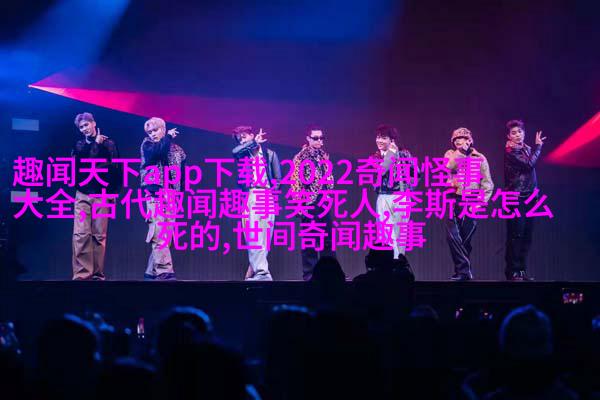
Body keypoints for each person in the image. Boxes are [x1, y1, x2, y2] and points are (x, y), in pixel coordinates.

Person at [71, 112, 122, 280]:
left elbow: (116, 168)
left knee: (99, 235)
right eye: (81, 127)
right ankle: (82, 274)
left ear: (93, 123)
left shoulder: (109, 144)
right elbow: (79, 164)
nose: (84, 129)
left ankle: (97, 275)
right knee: (81, 234)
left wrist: (114, 192)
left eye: (86, 125)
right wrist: (94, 144)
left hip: (102, 194)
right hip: (83, 193)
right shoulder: (80, 145)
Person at [444, 127, 494, 281]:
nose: (460, 141)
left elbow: (487, 183)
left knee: (465, 239)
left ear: (470, 141)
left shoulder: (480, 157)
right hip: (453, 198)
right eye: (456, 139)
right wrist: (460, 152)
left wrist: (480, 202)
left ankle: (463, 272)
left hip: (471, 200)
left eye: (464, 139)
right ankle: (464, 271)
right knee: (453, 237)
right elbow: (449, 166)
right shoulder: (450, 154)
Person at [232, 126, 281, 281]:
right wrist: (253, 143)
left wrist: (272, 192)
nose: (242, 140)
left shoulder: (269, 154)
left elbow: (278, 178)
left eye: (244, 137)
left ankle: (259, 272)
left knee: (266, 236)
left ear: (251, 135)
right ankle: (262, 272)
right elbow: (235, 151)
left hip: (266, 195)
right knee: (253, 235)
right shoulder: (243, 155)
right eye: (239, 139)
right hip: (251, 194)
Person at [140, 117, 186, 280]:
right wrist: (167, 138)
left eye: (155, 130)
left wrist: (180, 193)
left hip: (172, 193)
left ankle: (151, 271)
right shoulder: (147, 145)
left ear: (163, 129)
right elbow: (157, 153)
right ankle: (164, 271)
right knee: (158, 232)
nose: (152, 134)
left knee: (167, 235)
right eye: (150, 132)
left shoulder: (178, 150)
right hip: (155, 193)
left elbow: (182, 174)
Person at [291, 126, 336, 281]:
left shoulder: (324, 155)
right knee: (309, 239)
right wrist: (299, 204)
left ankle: (330, 273)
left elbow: (329, 177)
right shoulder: (301, 156)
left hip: (324, 200)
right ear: (308, 139)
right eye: (315, 138)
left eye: (321, 138)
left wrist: (329, 193)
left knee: (327, 239)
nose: (319, 141)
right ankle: (309, 274)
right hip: (308, 201)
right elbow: (296, 182)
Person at [504, 119, 546, 281]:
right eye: (514, 133)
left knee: (527, 235)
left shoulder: (526, 149)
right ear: (509, 136)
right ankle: (512, 271)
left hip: (530, 196)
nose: (518, 135)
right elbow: (529, 165)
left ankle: (521, 270)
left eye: (520, 132)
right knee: (516, 234)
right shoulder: (510, 150)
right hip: (515, 196)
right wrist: (539, 147)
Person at [371, 124, 420, 260]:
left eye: (383, 138)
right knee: (386, 234)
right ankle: (391, 263)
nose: (379, 141)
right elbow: (381, 171)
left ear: (392, 140)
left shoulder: (404, 154)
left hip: (402, 197)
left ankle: (399, 265)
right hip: (384, 196)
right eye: (378, 137)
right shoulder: (375, 157)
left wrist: (408, 188)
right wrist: (391, 154)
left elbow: (416, 173)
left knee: (400, 236)